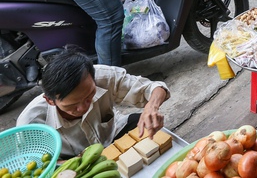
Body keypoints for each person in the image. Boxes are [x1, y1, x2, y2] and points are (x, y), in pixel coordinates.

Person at [17, 48, 169, 159]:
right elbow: (34, 163)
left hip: (113, 136)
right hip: (76, 161)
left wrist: (152, 107)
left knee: (142, 124)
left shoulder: (101, 76)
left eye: (89, 96)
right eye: (72, 106)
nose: (83, 107)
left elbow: (155, 88)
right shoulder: (30, 123)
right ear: (50, 100)